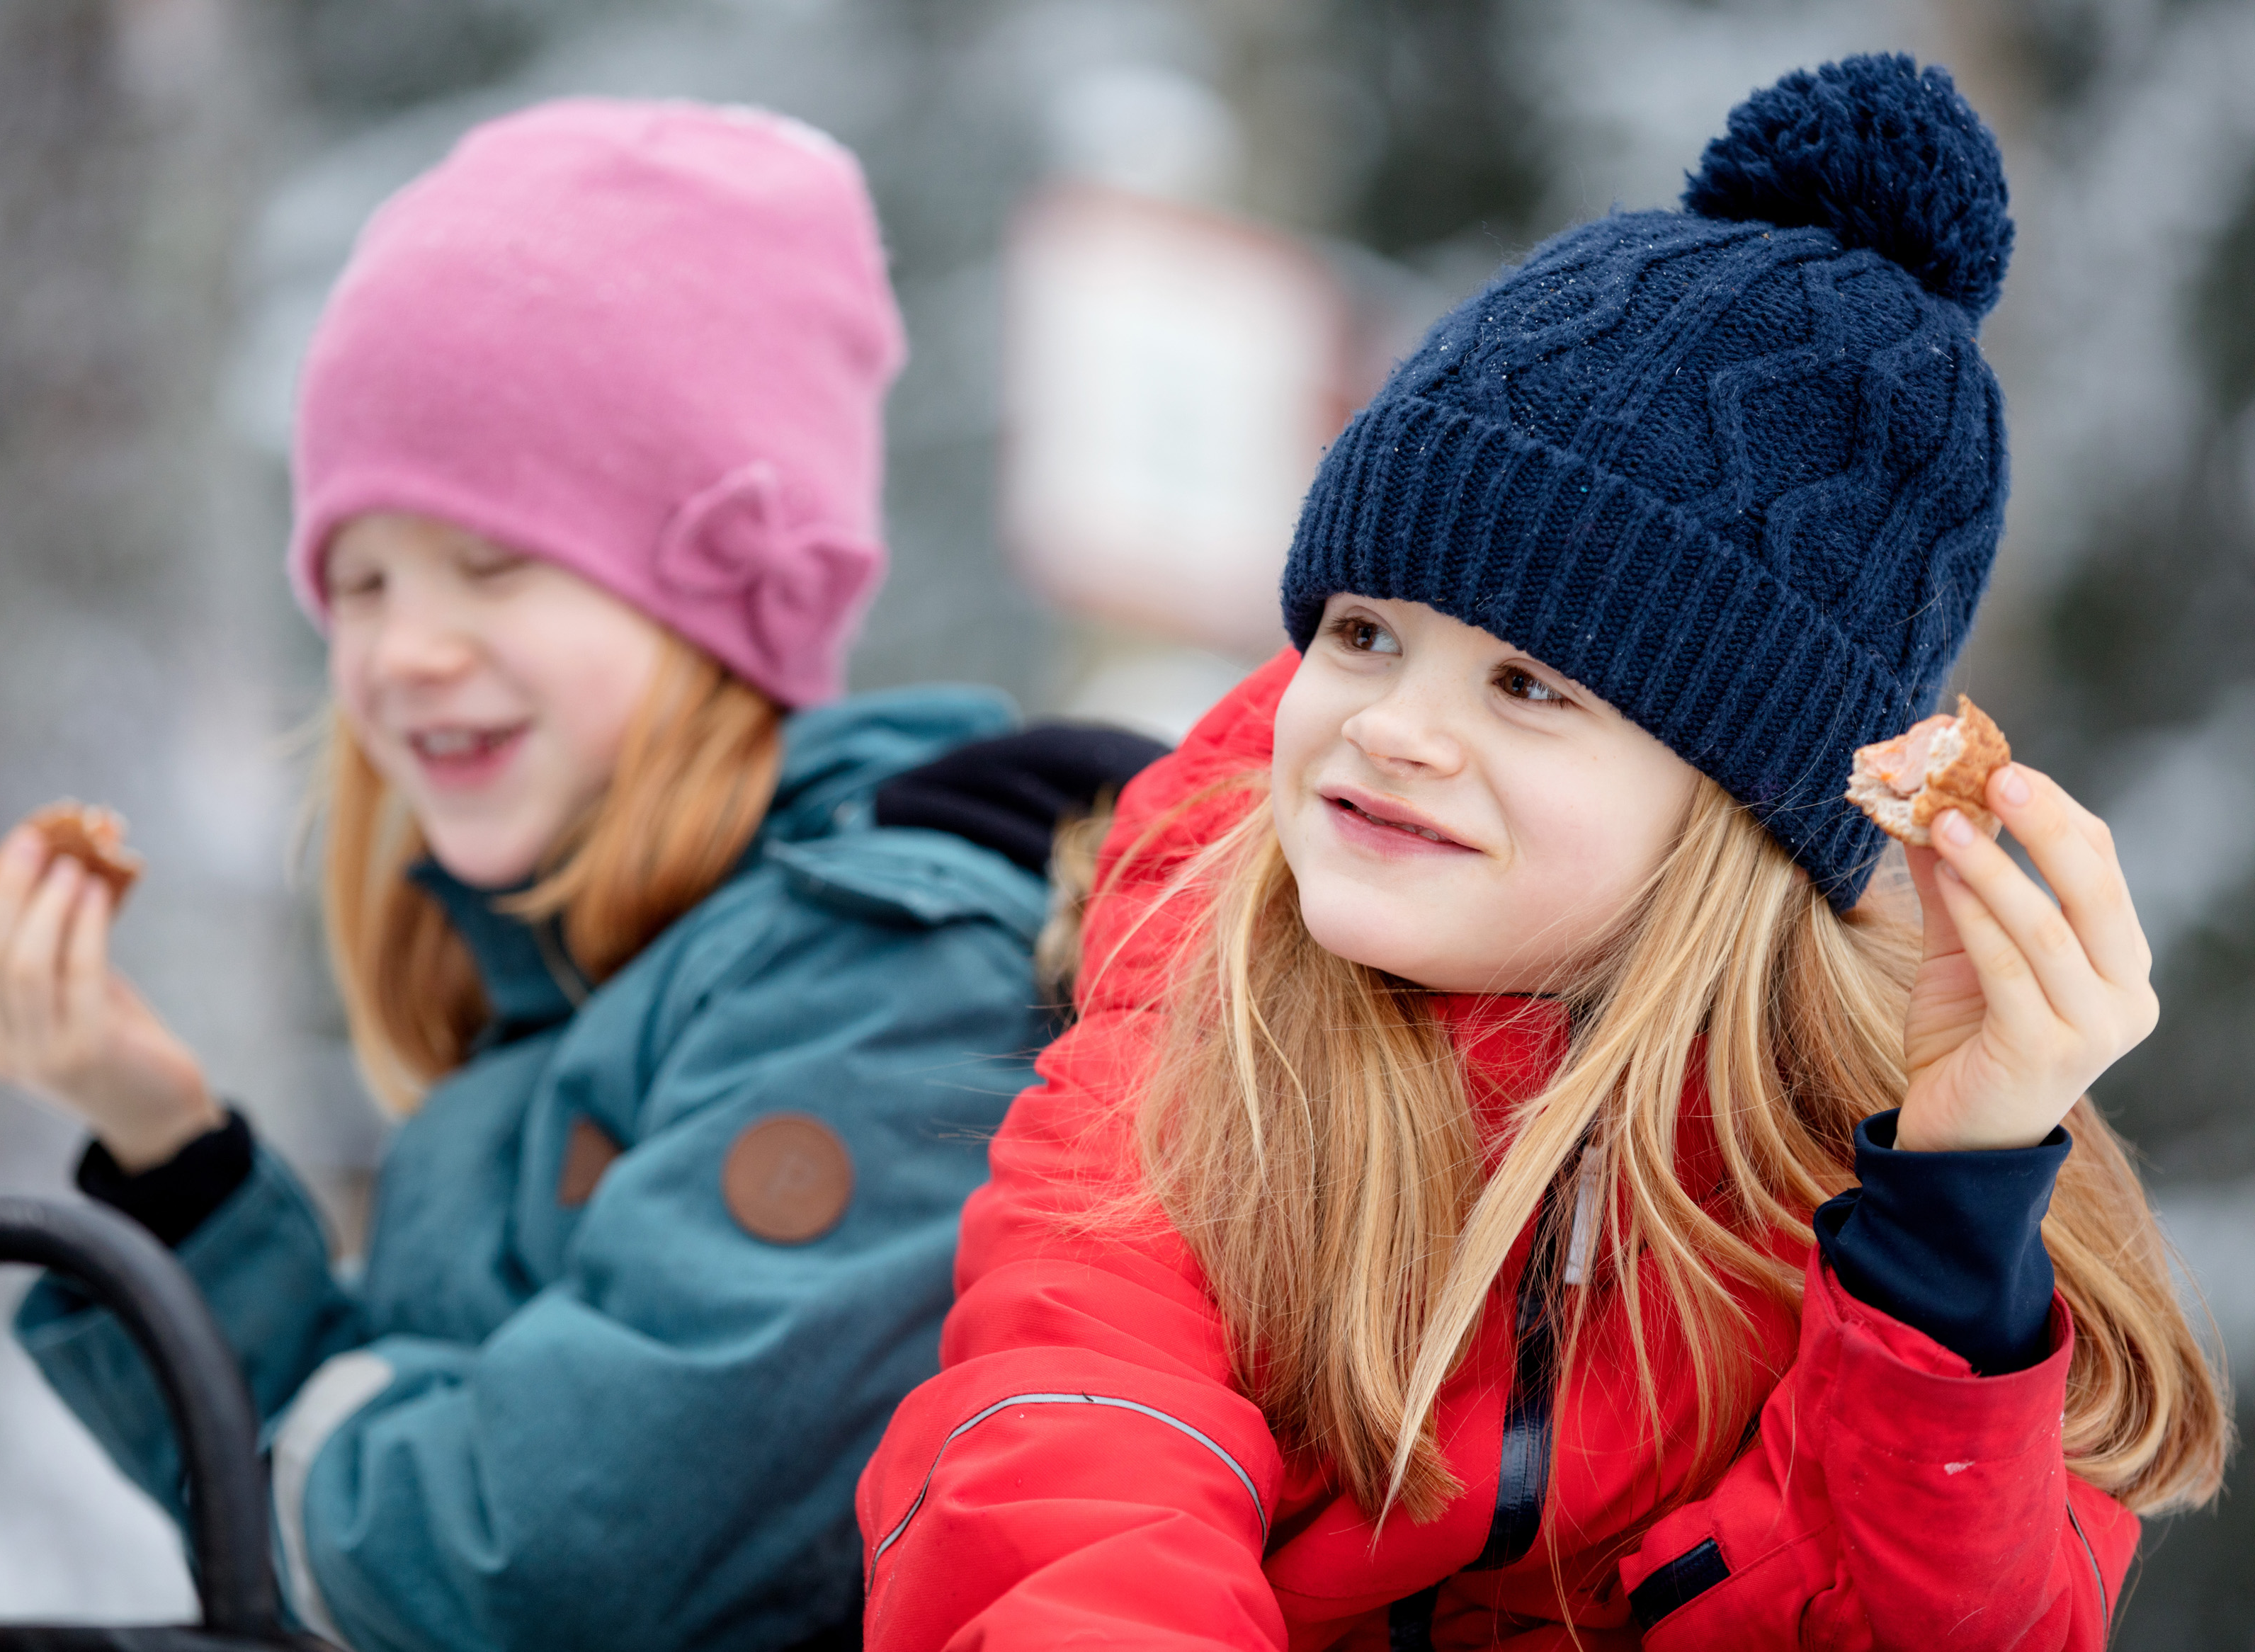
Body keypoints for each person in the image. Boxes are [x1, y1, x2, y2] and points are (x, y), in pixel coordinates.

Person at [856, 57, 2227, 1651]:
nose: (1392, 727)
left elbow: (1932, 1619)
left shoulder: (1850, 1135)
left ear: (1737, 795)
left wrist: (1955, 1200)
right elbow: (1071, 1463)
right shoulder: (1198, 1024)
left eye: (1527, 686)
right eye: (1364, 633)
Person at [0, 100, 1154, 1652]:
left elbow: (547, 1565)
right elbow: (371, 1545)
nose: (406, 648)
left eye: (494, 564)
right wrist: (162, 1138)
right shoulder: (570, 989)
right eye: (359, 581)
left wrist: (342, 1425)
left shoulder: (875, 979)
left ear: (722, 600)